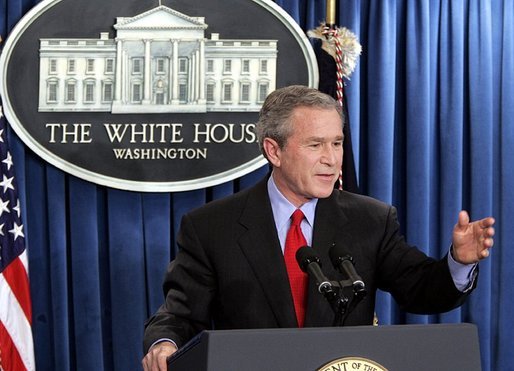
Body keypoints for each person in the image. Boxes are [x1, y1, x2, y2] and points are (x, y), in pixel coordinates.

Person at [142, 85, 495, 370]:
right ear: (274, 151)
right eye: (315, 145)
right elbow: (180, 313)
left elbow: (420, 289)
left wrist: (459, 262)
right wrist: (164, 343)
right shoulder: (211, 227)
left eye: (337, 143)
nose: (332, 158)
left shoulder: (370, 219)